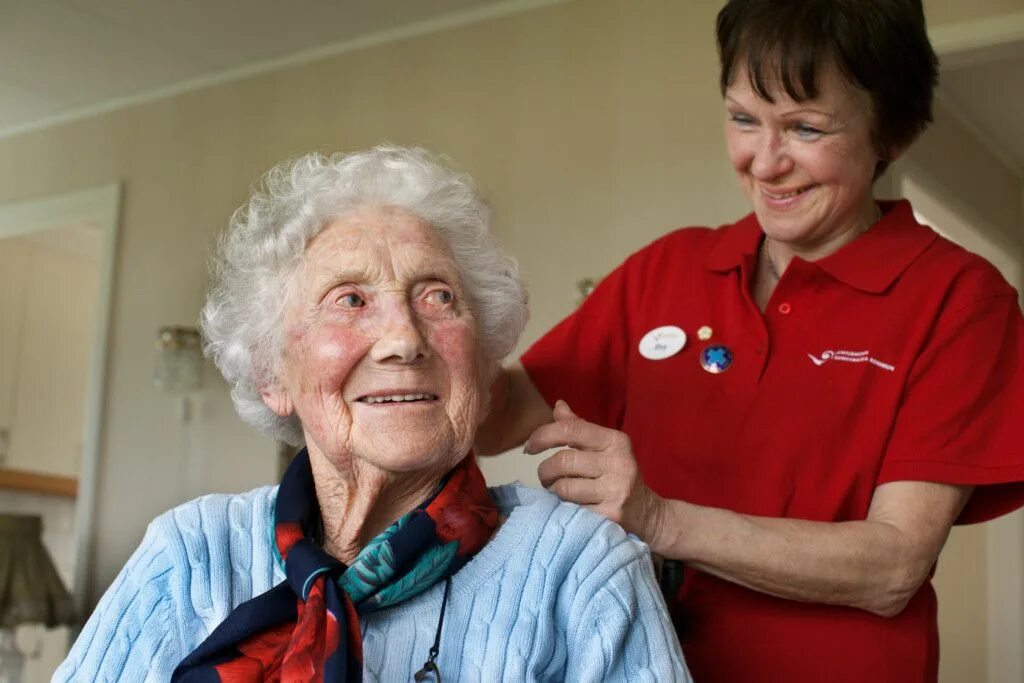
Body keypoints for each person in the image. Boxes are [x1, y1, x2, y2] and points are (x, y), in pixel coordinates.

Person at [475, 1, 1024, 682]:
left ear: (893, 132)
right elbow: (496, 417)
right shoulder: (668, 270)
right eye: (743, 118)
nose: (765, 163)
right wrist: (413, 326)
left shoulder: (958, 298)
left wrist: (659, 518)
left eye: (805, 127)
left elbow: (894, 564)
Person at [54, 146, 691, 682]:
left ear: (485, 365)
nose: (404, 339)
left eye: (439, 297)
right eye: (351, 299)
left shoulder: (581, 570)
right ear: (275, 376)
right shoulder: (192, 556)